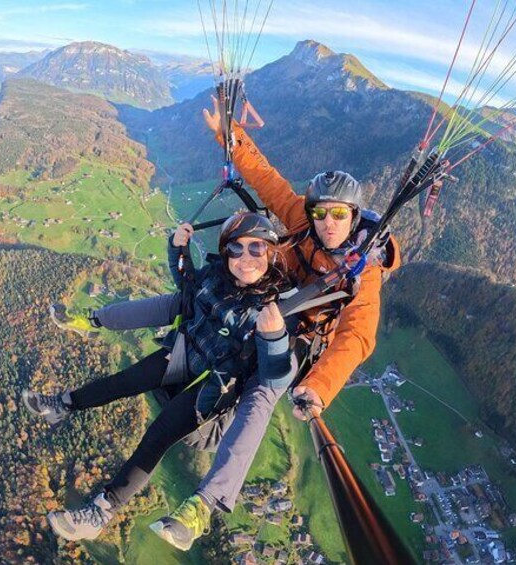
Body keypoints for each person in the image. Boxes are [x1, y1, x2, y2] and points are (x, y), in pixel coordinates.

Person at [149, 98, 401, 551]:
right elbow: (267, 180)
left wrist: (319, 388)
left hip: (299, 333)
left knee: (264, 387)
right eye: (321, 211)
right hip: (267, 297)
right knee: (201, 310)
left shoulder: (365, 271)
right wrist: (230, 137)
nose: (327, 222)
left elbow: (358, 335)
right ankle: (175, 384)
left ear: (355, 215)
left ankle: (206, 503)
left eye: (339, 214)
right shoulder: (301, 221)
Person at [22, 213, 297, 542]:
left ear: (272, 253)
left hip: (215, 388)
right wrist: (176, 250)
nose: (245, 258)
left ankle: (99, 512)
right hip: (187, 355)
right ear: (225, 254)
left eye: (257, 249)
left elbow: (273, 380)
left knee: (159, 433)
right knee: (126, 380)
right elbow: (185, 286)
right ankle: (62, 405)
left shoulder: (276, 308)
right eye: (236, 249)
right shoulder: (216, 277)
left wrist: (276, 337)